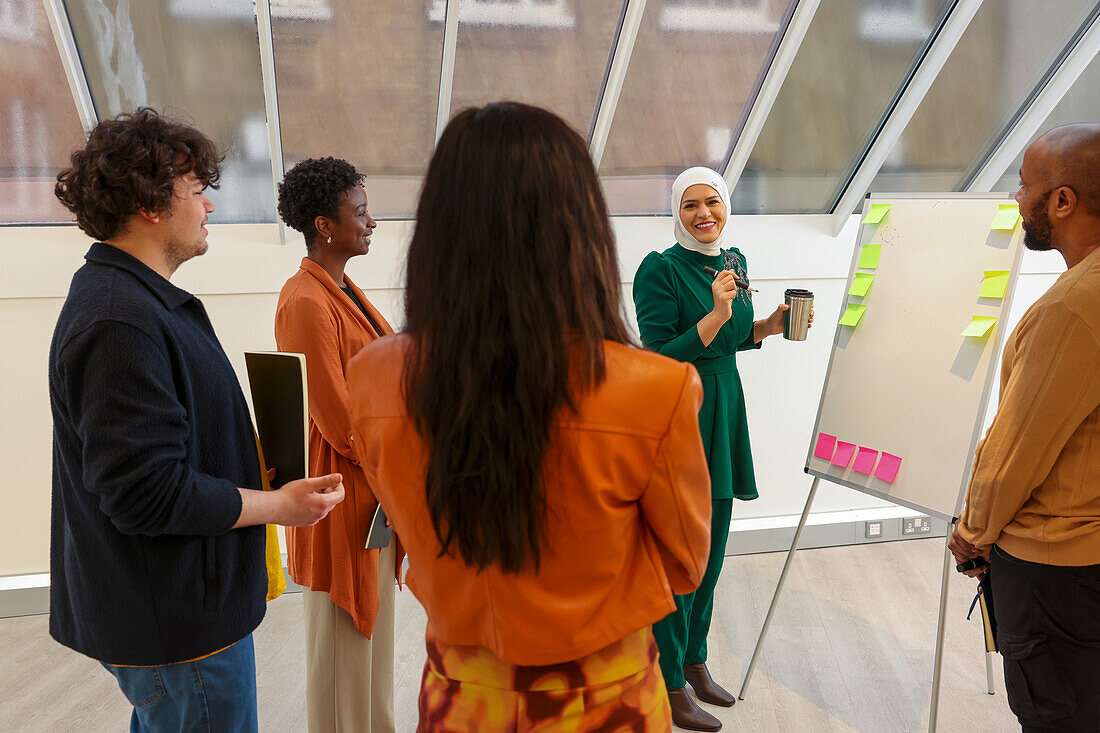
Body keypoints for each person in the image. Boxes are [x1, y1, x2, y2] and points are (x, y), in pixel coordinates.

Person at [344, 102, 713, 731]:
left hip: (461, 698)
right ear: (580, 229)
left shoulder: (375, 376)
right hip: (604, 701)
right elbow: (685, 567)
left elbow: (407, 521)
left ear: (439, 230)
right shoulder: (656, 387)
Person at [49, 108, 345, 732]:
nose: (208, 207)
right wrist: (280, 507)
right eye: (196, 191)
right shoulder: (120, 321)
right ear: (153, 203)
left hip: (177, 615)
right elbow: (145, 496)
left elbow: (165, 451)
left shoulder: (137, 301)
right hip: (179, 622)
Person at [632, 166, 807, 731]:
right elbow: (658, 356)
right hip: (682, 416)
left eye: (713, 202)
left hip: (724, 413)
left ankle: (695, 660)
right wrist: (715, 315)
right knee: (680, 557)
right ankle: (667, 681)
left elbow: (731, 338)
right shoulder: (658, 269)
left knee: (711, 556)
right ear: (676, 213)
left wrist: (769, 325)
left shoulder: (734, 262)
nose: (704, 214)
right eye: (690, 205)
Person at [949, 123, 1100, 732]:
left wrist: (972, 532)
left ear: (1062, 201)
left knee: (1056, 716)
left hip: (1056, 571)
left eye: (1024, 185)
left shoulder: (1072, 307)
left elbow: (1016, 452)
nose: (1015, 199)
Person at [274, 157, 397, 733]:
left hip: (372, 489)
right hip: (341, 490)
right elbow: (336, 415)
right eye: (361, 212)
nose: (371, 222)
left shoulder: (344, 289)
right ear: (326, 225)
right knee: (342, 652)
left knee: (373, 652)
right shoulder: (305, 299)